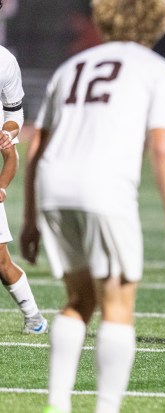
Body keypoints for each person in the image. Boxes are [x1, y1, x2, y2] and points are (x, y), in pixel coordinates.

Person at [19, 0, 165, 412]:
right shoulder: (156, 69)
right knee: (117, 303)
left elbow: (37, 144)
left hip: (55, 186)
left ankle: (57, 405)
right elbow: (164, 145)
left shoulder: (73, 65)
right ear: (159, 18)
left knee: (78, 300)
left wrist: (29, 218)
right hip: (104, 188)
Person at [0, 0, 48, 335]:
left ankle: (34, 316)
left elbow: (15, 115)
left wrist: (8, 132)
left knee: (1, 262)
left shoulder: (4, 62)